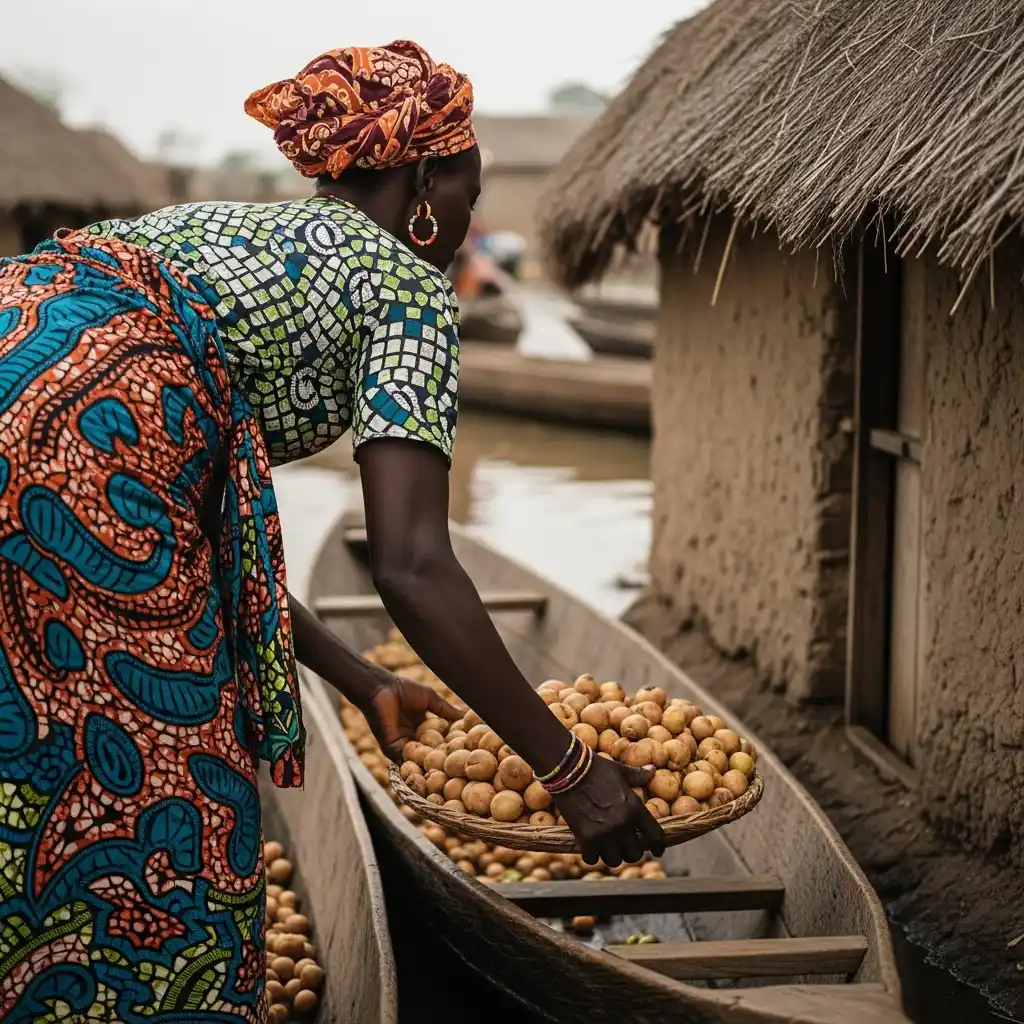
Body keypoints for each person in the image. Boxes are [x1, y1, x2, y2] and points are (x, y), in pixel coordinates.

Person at [0, 40, 663, 1022]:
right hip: (98, 429)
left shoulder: (231, 232)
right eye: (470, 193)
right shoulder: (404, 287)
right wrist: (570, 771)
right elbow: (411, 564)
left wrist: (362, 680)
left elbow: (220, 531)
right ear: (429, 180)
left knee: (32, 724)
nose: (468, 221)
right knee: (161, 758)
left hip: (15, 335)